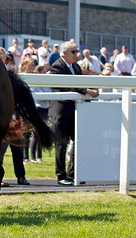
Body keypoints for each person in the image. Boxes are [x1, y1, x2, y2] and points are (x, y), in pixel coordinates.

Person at [49, 40, 98, 185]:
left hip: (74, 110)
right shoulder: (57, 66)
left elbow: (79, 84)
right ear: (64, 52)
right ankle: (61, 176)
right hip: (61, 111)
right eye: (73, 52)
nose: (76, 54)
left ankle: (73, 174)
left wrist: (89, 89)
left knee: (78, 141)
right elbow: (64, 86)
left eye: (76, 51)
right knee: (61, 144)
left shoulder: (76, 66)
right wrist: (86, 91)